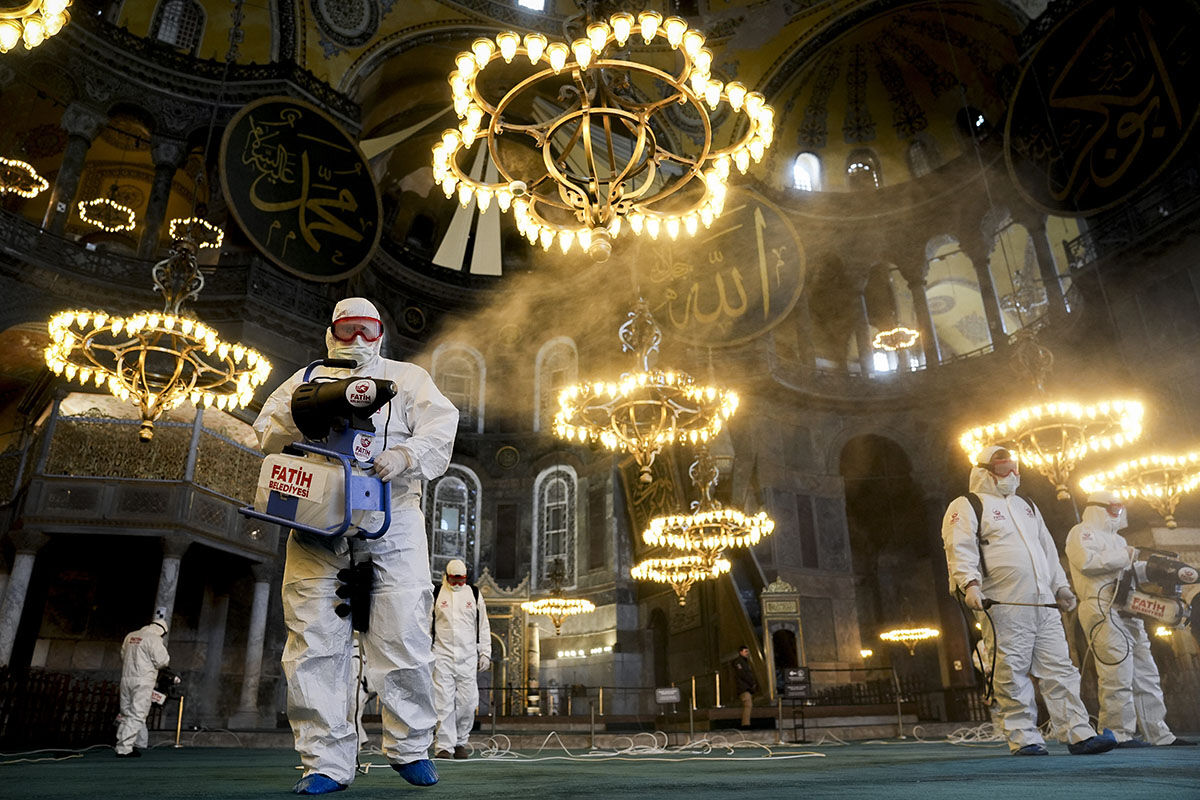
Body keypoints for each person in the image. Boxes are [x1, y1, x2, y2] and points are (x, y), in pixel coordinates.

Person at [254, 297, 458, 794]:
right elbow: (265, 432)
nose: (358, 341)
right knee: (313, 637)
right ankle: (325, 762)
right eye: (348, 330)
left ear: (381, 334)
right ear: (331, 333)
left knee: (404, 628)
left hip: (393, 513)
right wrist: (306, 423)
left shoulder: (406, 379)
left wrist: (407, 453)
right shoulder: (302, 381)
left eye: (368, 331)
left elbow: (441, 422)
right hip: (316, 517)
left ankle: (410, 747)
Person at [941, 445, 1115, 756]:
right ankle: (1024, 738)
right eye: (1004, 469)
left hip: (1043, 604)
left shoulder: (1027, 506)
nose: (1012, 476)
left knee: (1060, 668)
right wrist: (969, 584)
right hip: (1004, 605)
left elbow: (1046, 549)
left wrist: (1060, 586)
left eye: (1015, 468)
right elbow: (959, 546)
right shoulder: (968, 505)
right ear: (984, 472)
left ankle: (1078, 733)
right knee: (1011, 670)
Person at [1065, 490, 1195, 747]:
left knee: (1147, 672)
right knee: (1117, 670)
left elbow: (1128, 570)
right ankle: (1118, 732)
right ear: (1099, 508)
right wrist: (1126, 555)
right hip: (1100, 606)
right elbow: (1087, 562)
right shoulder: (1081, 532)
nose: (1119, 513)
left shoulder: (1119, 540)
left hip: (1127, 605)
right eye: (1114, 508)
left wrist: (1156, 570)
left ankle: (1159, 734)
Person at [430, 558, 491, 760]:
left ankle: (460, 741)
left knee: (467, 702)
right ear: (446, 576)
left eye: (461, 579)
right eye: (454, 579)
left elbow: (483, 625)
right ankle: (444, 746)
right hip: (442, 655)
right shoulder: (436, 593)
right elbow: (426, 624)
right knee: (443, 703)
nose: (458, 584)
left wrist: (485, 652)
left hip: (467, 657)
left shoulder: (473, 593)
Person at [115, 618, 170, 758]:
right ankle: (125, 748)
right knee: (137, 713)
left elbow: (123, 655)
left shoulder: (130, 636)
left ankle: (121, 743)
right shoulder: (154, 639)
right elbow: (163, 661)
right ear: (162, 631)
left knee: (125, 712)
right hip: (143, 680)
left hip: (126, 678)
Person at [732, 645, 758, 728]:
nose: (747, 653)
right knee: (748, 704)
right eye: (745, 651)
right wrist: (751, 683)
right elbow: (742, 674)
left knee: (748, 705)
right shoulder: (739, 662)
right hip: (744, 687)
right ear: (741, 652)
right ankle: (745, 724)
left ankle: (746, 723)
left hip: (747, 687)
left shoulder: (745, 662)